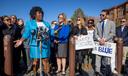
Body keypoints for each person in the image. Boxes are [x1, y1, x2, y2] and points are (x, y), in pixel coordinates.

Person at [14, 6, 51, 76]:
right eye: (39, 13)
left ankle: (46, 73)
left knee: (45, 60)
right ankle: (35, 73)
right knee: (35, 61)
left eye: (41, 13)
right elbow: (26, 33)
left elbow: (50, 33)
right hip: (35, 45)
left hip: (45, 45)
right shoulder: (30, 23)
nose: (41, 14)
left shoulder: (46, 23)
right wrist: (21, 40)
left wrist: (53, 36)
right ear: (34, 15)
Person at [94, 10, 116, 76]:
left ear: (107, 15)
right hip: (99, 44)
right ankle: (97, 72)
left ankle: (106, 72)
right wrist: (99, 39)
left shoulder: (112, 23)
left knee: (106, 60)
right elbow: (95, 34)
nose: (101, 16)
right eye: (100, 15)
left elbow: (113, 33)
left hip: (107, 44)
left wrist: (105, 39)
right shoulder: (98, 24)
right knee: (97, 59)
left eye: (103, 15)